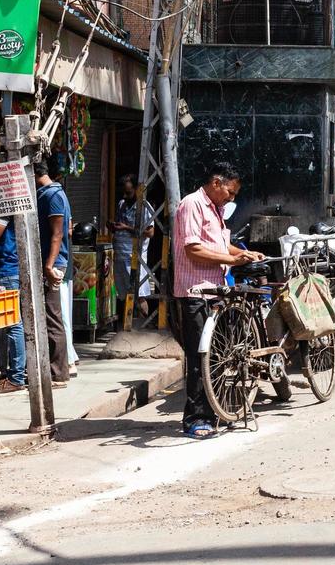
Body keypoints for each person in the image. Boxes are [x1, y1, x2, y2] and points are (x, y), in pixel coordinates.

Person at [172, 162, 264, 438]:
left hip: (216, 290)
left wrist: (245, 254)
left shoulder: (217, 210)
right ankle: (195, 419)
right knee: (201, 358)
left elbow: (221, 246)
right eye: (230, 192)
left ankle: (216, 413)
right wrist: (231, 259)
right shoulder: (192, 205)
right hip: (195, 292)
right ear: (216, 182)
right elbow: (193, 250)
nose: (231, 198)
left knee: (217, 358)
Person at [36, 159, 76, 383]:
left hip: (54, 263)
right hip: (51, 261)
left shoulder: (52, 196)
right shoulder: (50, 194)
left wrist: (49, 266)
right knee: (51, 316)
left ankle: (58, 373)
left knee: (53, 317)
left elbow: (58, 233)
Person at [0, 189, 26, 395]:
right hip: (6, 270)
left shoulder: (4, 211)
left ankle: (16, 377)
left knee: (13, 323)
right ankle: (13, 373)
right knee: (11, 323)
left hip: (7, 271)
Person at [111, 174, 156, 317]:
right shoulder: (121, 204)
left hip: (134, 257)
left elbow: (150, 232)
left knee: (139, 293)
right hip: (120, 255)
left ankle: (142, 325)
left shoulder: (144, 207)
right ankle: (126, 324)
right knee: (123, 293)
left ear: (137, 189)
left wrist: (126, 228)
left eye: (128, 192)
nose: (125, 195)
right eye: (123, 192)